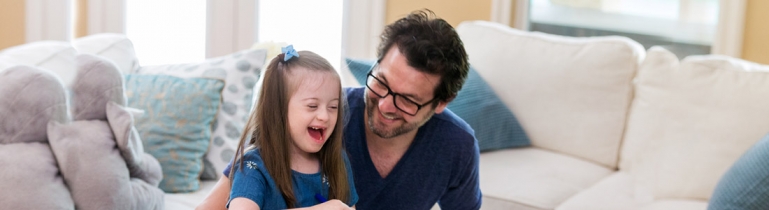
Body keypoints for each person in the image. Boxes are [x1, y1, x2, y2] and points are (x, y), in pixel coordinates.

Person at [198, 9, 481, 210]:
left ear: (442, 103)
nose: (384, 105)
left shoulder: (457, 146)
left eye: (407, 100)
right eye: (381, 82)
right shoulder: (320, 117)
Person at [226, 47, 358, 210]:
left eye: (333, 106)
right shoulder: (253, 165)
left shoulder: (337, 160)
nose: (325, 116)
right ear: (278, 109)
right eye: (312, 105)